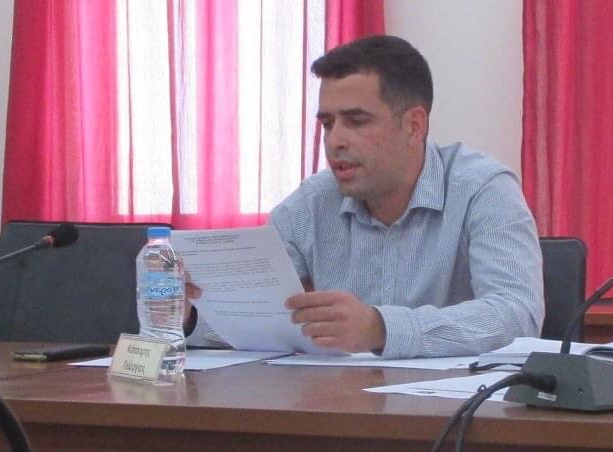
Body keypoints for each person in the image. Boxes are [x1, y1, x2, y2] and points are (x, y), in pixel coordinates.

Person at [193, 34, 543, 358]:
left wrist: (381, 329)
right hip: (336, 398)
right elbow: (248, 315)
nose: (334, 141)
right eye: (328, 124)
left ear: (414, 126)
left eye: (356, 121)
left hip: (454, 402)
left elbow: (516, 314)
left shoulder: (482, 189)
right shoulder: (312, 203)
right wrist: (188, 316)